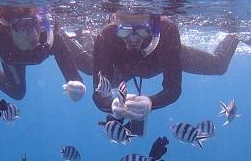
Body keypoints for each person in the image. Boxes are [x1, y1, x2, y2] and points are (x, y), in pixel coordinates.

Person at [82, 9, 240, 136]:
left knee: (219, 66)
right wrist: (112, 104)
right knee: (91, 69)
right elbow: (98, 94)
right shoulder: (106, 35)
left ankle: (234, 33)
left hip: (160, 59)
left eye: (142, 31)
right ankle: (82, 36)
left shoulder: (166, 29)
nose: (133, 39)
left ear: (152, 25)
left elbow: (173, 89)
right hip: (124, 67)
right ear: (116, 26)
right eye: (124, 32)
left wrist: (150, 102)